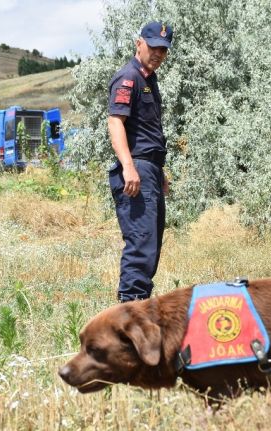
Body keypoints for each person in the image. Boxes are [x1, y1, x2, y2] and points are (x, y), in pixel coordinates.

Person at [107, 21, 173, 302]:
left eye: (163, 50)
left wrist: (159, 172)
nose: (158, 53)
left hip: (149, 170)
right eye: (153, 47)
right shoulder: (129, 77)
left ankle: (140, 309)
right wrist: (129, 166)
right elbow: (115, 122)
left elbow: (147, 134)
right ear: (139, 44)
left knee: (151, 247)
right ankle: (129, 317)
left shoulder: (148, 79)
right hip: (136, 172)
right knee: (140, 247)